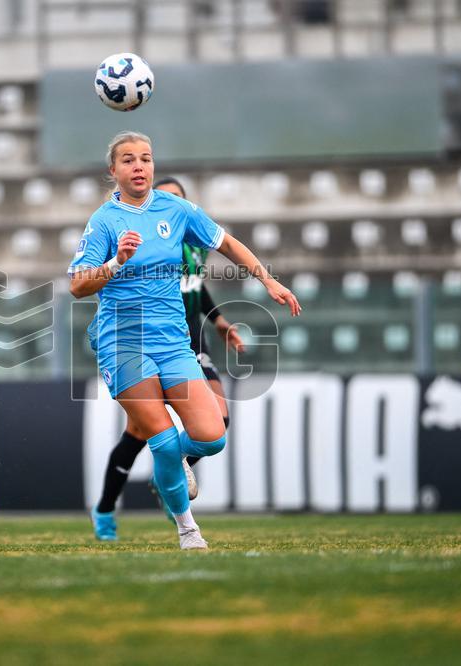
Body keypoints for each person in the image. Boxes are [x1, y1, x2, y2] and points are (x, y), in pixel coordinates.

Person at [69, 131, 300, 549]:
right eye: (128, 160)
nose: (139, 166)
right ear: (113, 171)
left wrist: (269, 282)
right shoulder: (104, 220)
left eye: (146, 158)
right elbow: (78, 286)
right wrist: (116, 261)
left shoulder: (177, 210)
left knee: (212, 437)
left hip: (173, 342)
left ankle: (170, 466)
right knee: (158, 437)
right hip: (123, 343)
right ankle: (187, 529)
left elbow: (227, 243)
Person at [89, 176, 246, 541]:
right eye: (165, 197)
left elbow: (196, 287)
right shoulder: (147, 244)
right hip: (142, 342)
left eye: (177, 199)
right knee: (139, 435)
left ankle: (172, 470)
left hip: (189, 342)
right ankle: (106, 509)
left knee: (218, 419)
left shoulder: (192, 245)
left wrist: (219, 320)